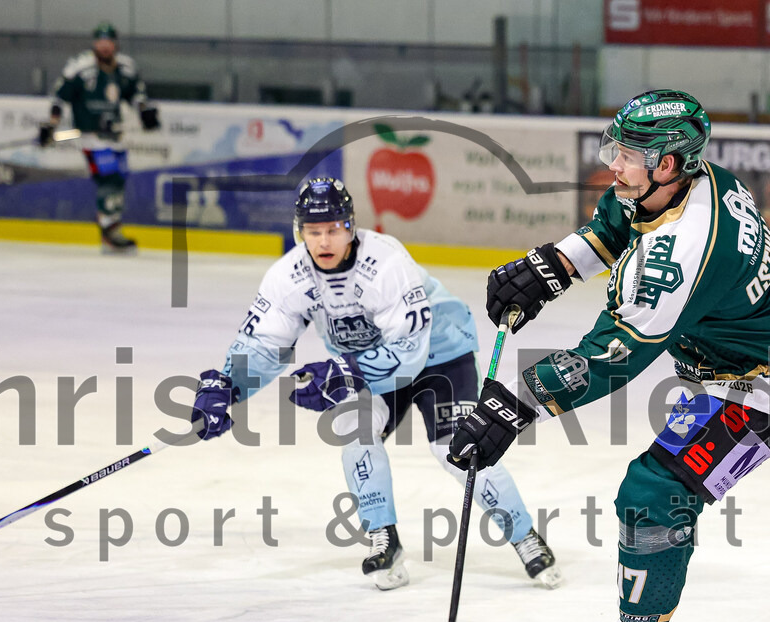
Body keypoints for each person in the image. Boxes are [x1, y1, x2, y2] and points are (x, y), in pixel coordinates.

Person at [448, 90, 770, 622]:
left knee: (655, 493)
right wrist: (548, 268)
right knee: (653, 491)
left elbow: (614, 355)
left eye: (628, 154)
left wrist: (512, 406)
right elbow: (611, 229)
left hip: (767, 388)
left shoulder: (685, 250)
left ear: (670, 164)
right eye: (616, 148)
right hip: (725, 367)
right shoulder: (676, 187)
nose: (613, 165)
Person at [189, 177, 562, 591]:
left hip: (439, 355)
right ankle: (383, 536)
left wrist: (345, 373)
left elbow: (410, 351)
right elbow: (263, 343)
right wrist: (227, 386)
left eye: (334, 229)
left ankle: (524, 535)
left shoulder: (385, 261)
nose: (324, 240)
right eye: (314, 232)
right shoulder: (288, 276)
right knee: (355, 429)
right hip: (367, 364)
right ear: (300, 233)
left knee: (456, 448)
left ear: (351, 226)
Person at [39, 22, 160, 252]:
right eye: (100, 42)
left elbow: (137, 94)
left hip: (115, 135)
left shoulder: (125, 67)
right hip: (91, 137)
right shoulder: (80, 67)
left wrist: (145, 111)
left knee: (119, 180)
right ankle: (108, 230)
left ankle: (112, 227)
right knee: (109, 178)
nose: (104, 46)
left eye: (109, 42)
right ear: (95, 44)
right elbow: (60, 97)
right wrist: (51, 124)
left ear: (115, 44)